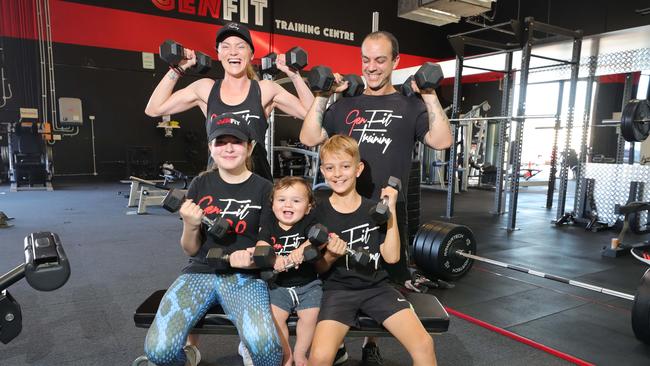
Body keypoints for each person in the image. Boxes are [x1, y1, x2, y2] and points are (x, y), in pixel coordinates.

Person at [299, 30, 452, 364]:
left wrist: (428, 94)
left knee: (386, 278)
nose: (371, 67)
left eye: (380, 59)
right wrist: (323, 96)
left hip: (388, 211)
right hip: (344, 209)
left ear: (396, 61)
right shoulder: (345, 105)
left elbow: (441, 141)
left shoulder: (410, 105)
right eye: (366, 60)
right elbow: (309, 136)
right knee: (335, 274)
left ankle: (371, 342)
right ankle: (337, 341)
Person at [141, 113, 282, 366]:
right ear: (211, 148)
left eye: (236, 142)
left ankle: (248, 343)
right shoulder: (200, 183)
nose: (228, 148)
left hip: (244, 277)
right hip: (199, 273)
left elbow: (267, 243)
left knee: (266, 350)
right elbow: (190, 249)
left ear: (249, 147)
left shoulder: (264, 188)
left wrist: (251, 259)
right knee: (158, 351)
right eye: (220, 142)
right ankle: (189, 356)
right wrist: (190, 224)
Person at [307, 135, 437, 366]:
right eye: (330, 168)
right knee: (319, 357)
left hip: (377, 288)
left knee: (424, 345)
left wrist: (390, 210)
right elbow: (319, 266)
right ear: (323, 172)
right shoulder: (318, 213)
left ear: (358, 169)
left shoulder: (372, 210)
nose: (337, 174)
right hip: (337, 291)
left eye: (345, 166)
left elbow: (392, 256)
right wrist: (330, 255)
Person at [145, 21, 314, 181]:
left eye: (240, 47)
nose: (233, 52)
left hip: (258, 185)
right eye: (225, 47)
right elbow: (154, 109)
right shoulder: (206, 89)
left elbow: (312, 116)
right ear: (218, 53)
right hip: (217, 186)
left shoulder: (265, 89)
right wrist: (179, 68)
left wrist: (293, 74)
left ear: (251, 53)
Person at [256, 176, 322, 366]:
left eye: (296, 200)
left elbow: (317, 235)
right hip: (279, 286)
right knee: (276, 319)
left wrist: (300, 250)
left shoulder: (308, 222)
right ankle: (286, 353)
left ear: (308, 207)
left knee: (311, 316)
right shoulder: (269, 224)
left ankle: (300, 353)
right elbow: (262, 245)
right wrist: (273, 259)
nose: (288, 205)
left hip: (308, 284)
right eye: (282, 200)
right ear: (273, 204)